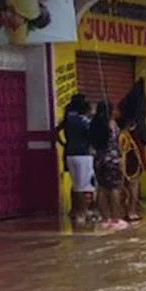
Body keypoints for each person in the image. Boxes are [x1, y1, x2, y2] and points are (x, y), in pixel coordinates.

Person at [88, 102, 127, 230]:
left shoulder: (93, 124)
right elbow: (117, 143)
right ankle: (115, 219)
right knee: (114, 188)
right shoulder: (112, 125)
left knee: (102, 189)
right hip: (112, 160)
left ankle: (105, 220)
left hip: (98, 160)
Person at [57, 94, 94, 224]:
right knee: (84, 186)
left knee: (76, 184)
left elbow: (56, 131)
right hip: (84, 154)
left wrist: (64, 143)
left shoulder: (68, 119)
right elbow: (92, 135)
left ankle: (75, 211)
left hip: (70, 153)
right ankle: (82, 213)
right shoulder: (84, 120)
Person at [118, 116, 146, 221]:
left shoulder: (123, 135)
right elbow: (123, 154)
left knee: (126, 188)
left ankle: (125, 212)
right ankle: (131, 212)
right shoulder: (126, 136)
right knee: (132, 187)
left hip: (129, 165)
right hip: (130, 166)